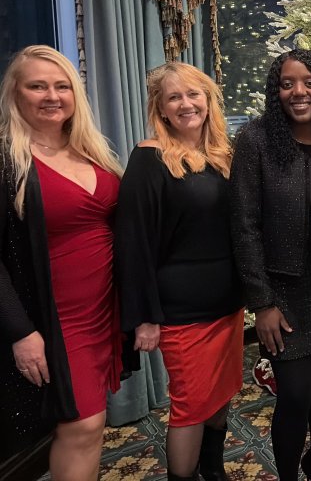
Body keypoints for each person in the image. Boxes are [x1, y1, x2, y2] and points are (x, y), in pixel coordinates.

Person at [0, 45, 126, 479]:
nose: (51, 96)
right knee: (82, 424)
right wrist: (21, 332)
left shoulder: (92, 150)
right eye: (37, 86)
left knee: (89, 426)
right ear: (15, 93)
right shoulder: (5, 160)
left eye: (61, 86)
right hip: (55, 318)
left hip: (102, 310)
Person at [115, 62, 244, 481]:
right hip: (181, 310)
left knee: (222, 392)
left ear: (208, 100)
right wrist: (144, 316)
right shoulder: (149, 159)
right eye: (175, 97)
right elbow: (133, 244)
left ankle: (214, 468)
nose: (186, 104)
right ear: (161, 108)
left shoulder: (224, 154)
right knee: (190, 403)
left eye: (194, 94)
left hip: (228, 303)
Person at [230, 49, 311, 480]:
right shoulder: (256, 141)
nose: (298, 92)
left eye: (309, 82)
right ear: (275, 91)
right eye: (286, 84)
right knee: (295, 395)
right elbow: (244, 226)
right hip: (284, 295)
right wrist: (261, 302)